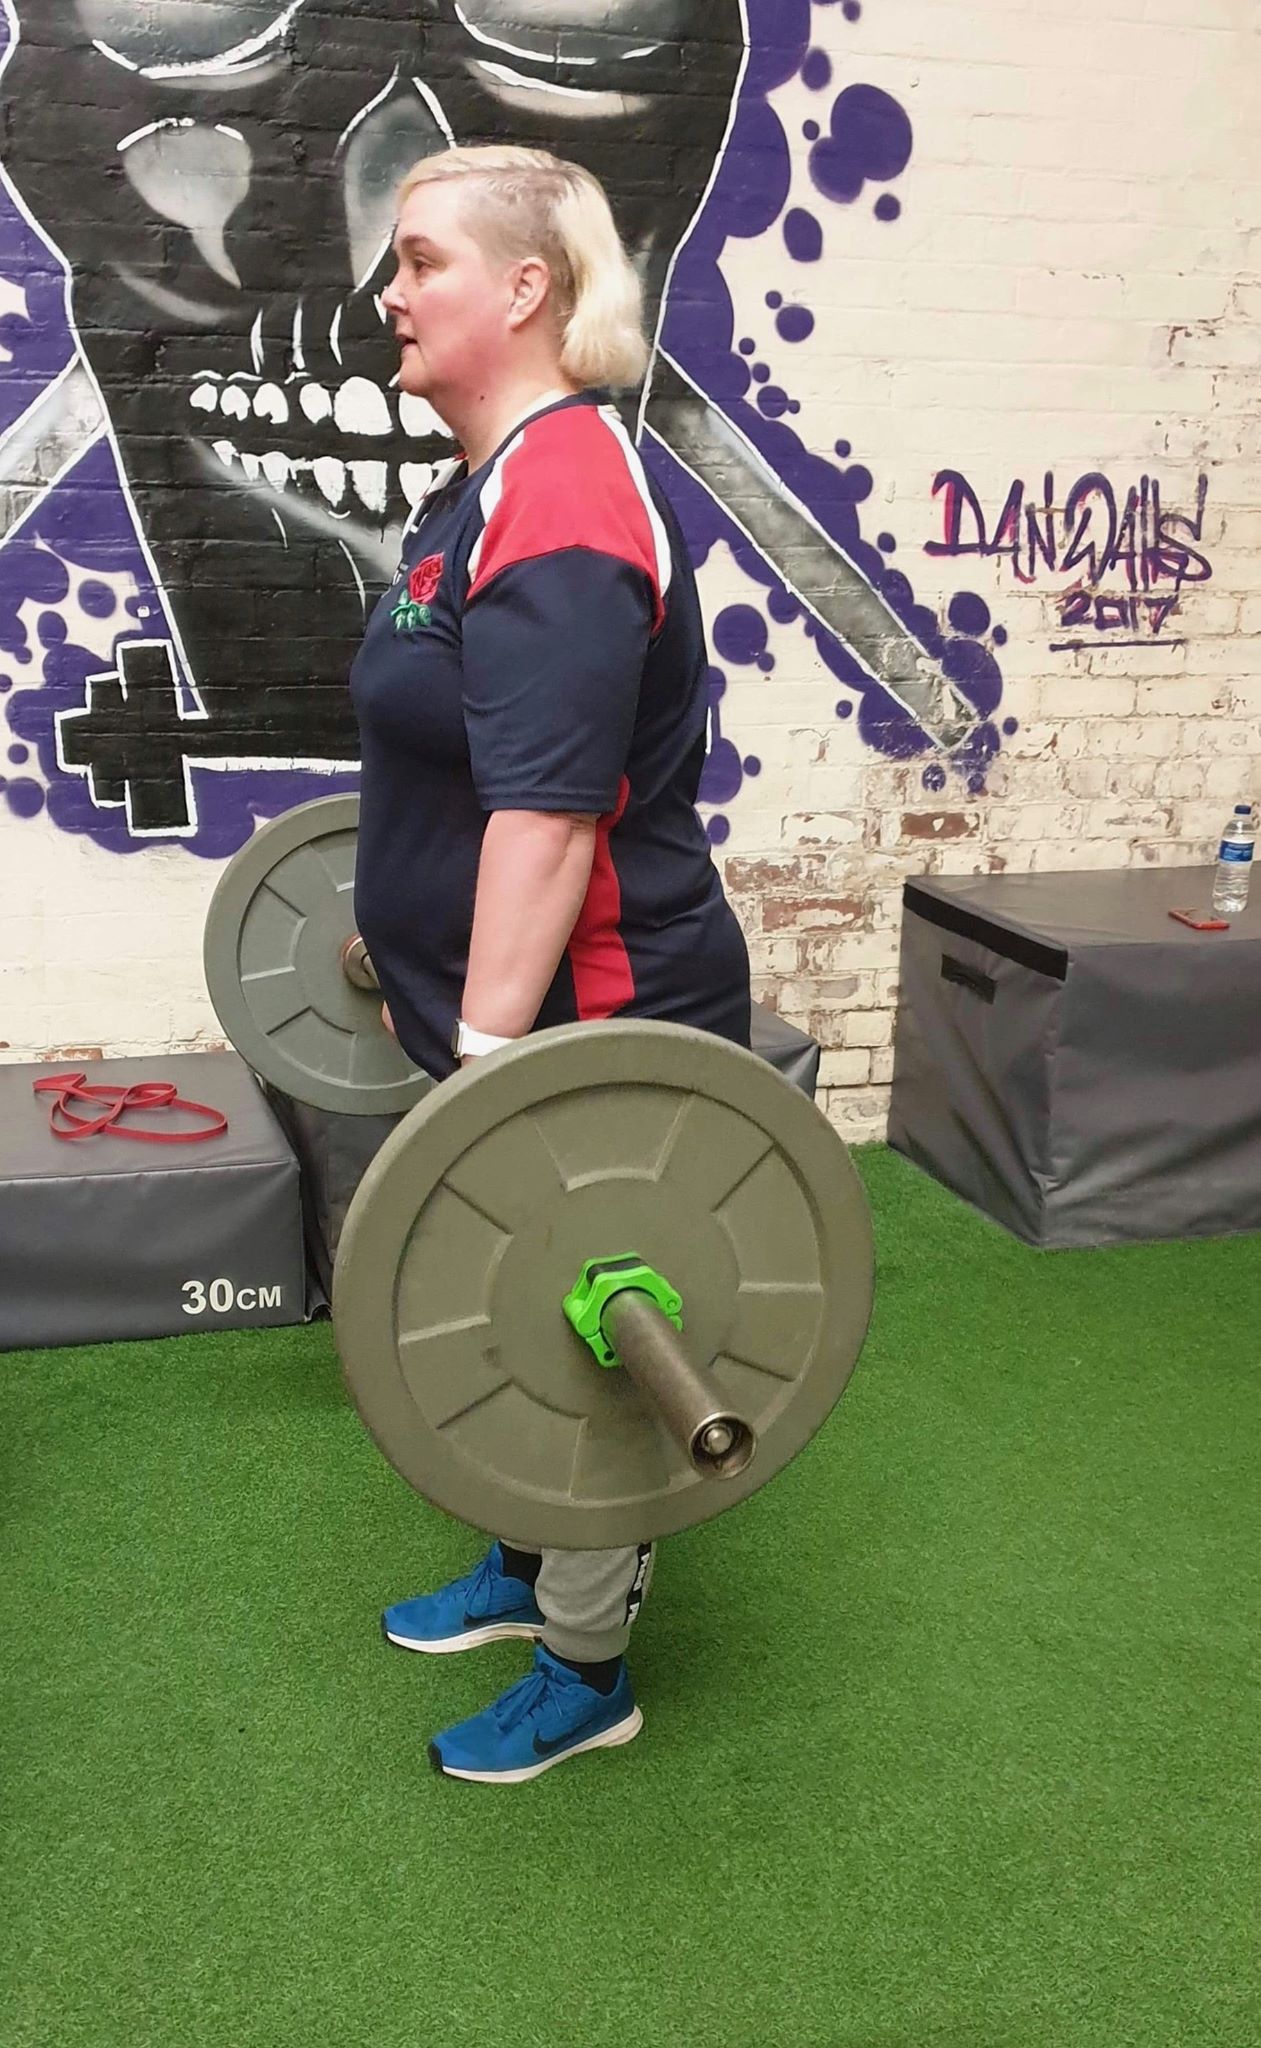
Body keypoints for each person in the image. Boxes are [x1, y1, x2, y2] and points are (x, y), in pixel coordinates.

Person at [349, 145, 751, 1785]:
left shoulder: (571, 488)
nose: (390, 293)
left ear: (524, 289)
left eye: (421, 261)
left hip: (595, 1017)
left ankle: (589, 1671)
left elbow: (551, 811)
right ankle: (527, 1575)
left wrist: (491, 1057)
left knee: (588, 1329)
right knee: (512, 1312)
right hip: (507, 1014)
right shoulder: (492, 480)